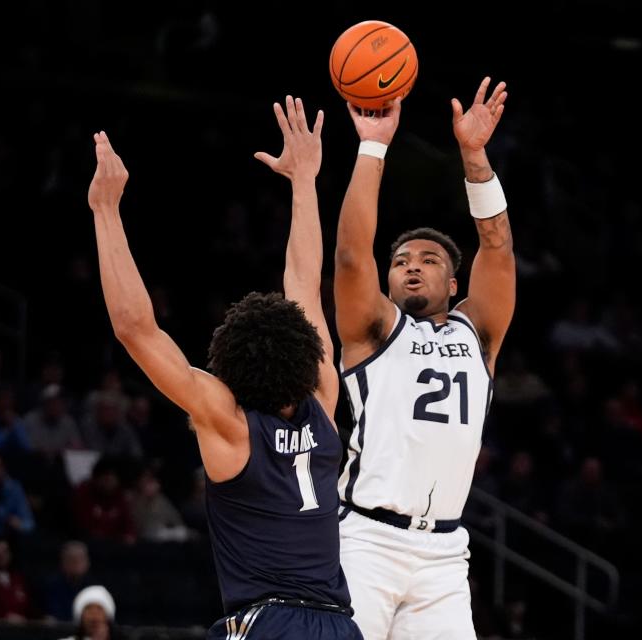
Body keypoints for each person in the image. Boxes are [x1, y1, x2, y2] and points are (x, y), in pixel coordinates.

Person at [87, 95, 361, 640]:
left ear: (230, 366)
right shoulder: (325, 397)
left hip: (268, 622)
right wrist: (305, 180)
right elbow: (304, 281)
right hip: (339, 626)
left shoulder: (230, 423)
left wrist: (106, 212)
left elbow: (134, 328)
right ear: (305, 357)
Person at [334, 77, 515, 638]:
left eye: (429, 258)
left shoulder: (478, 330)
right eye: (401, 260)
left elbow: (499, 247)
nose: (412, 264)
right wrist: (373, 145)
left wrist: (475, 157)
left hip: (443, 553)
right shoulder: (372, 331)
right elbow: (349, 255)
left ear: (453, 279)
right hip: (366, 541)